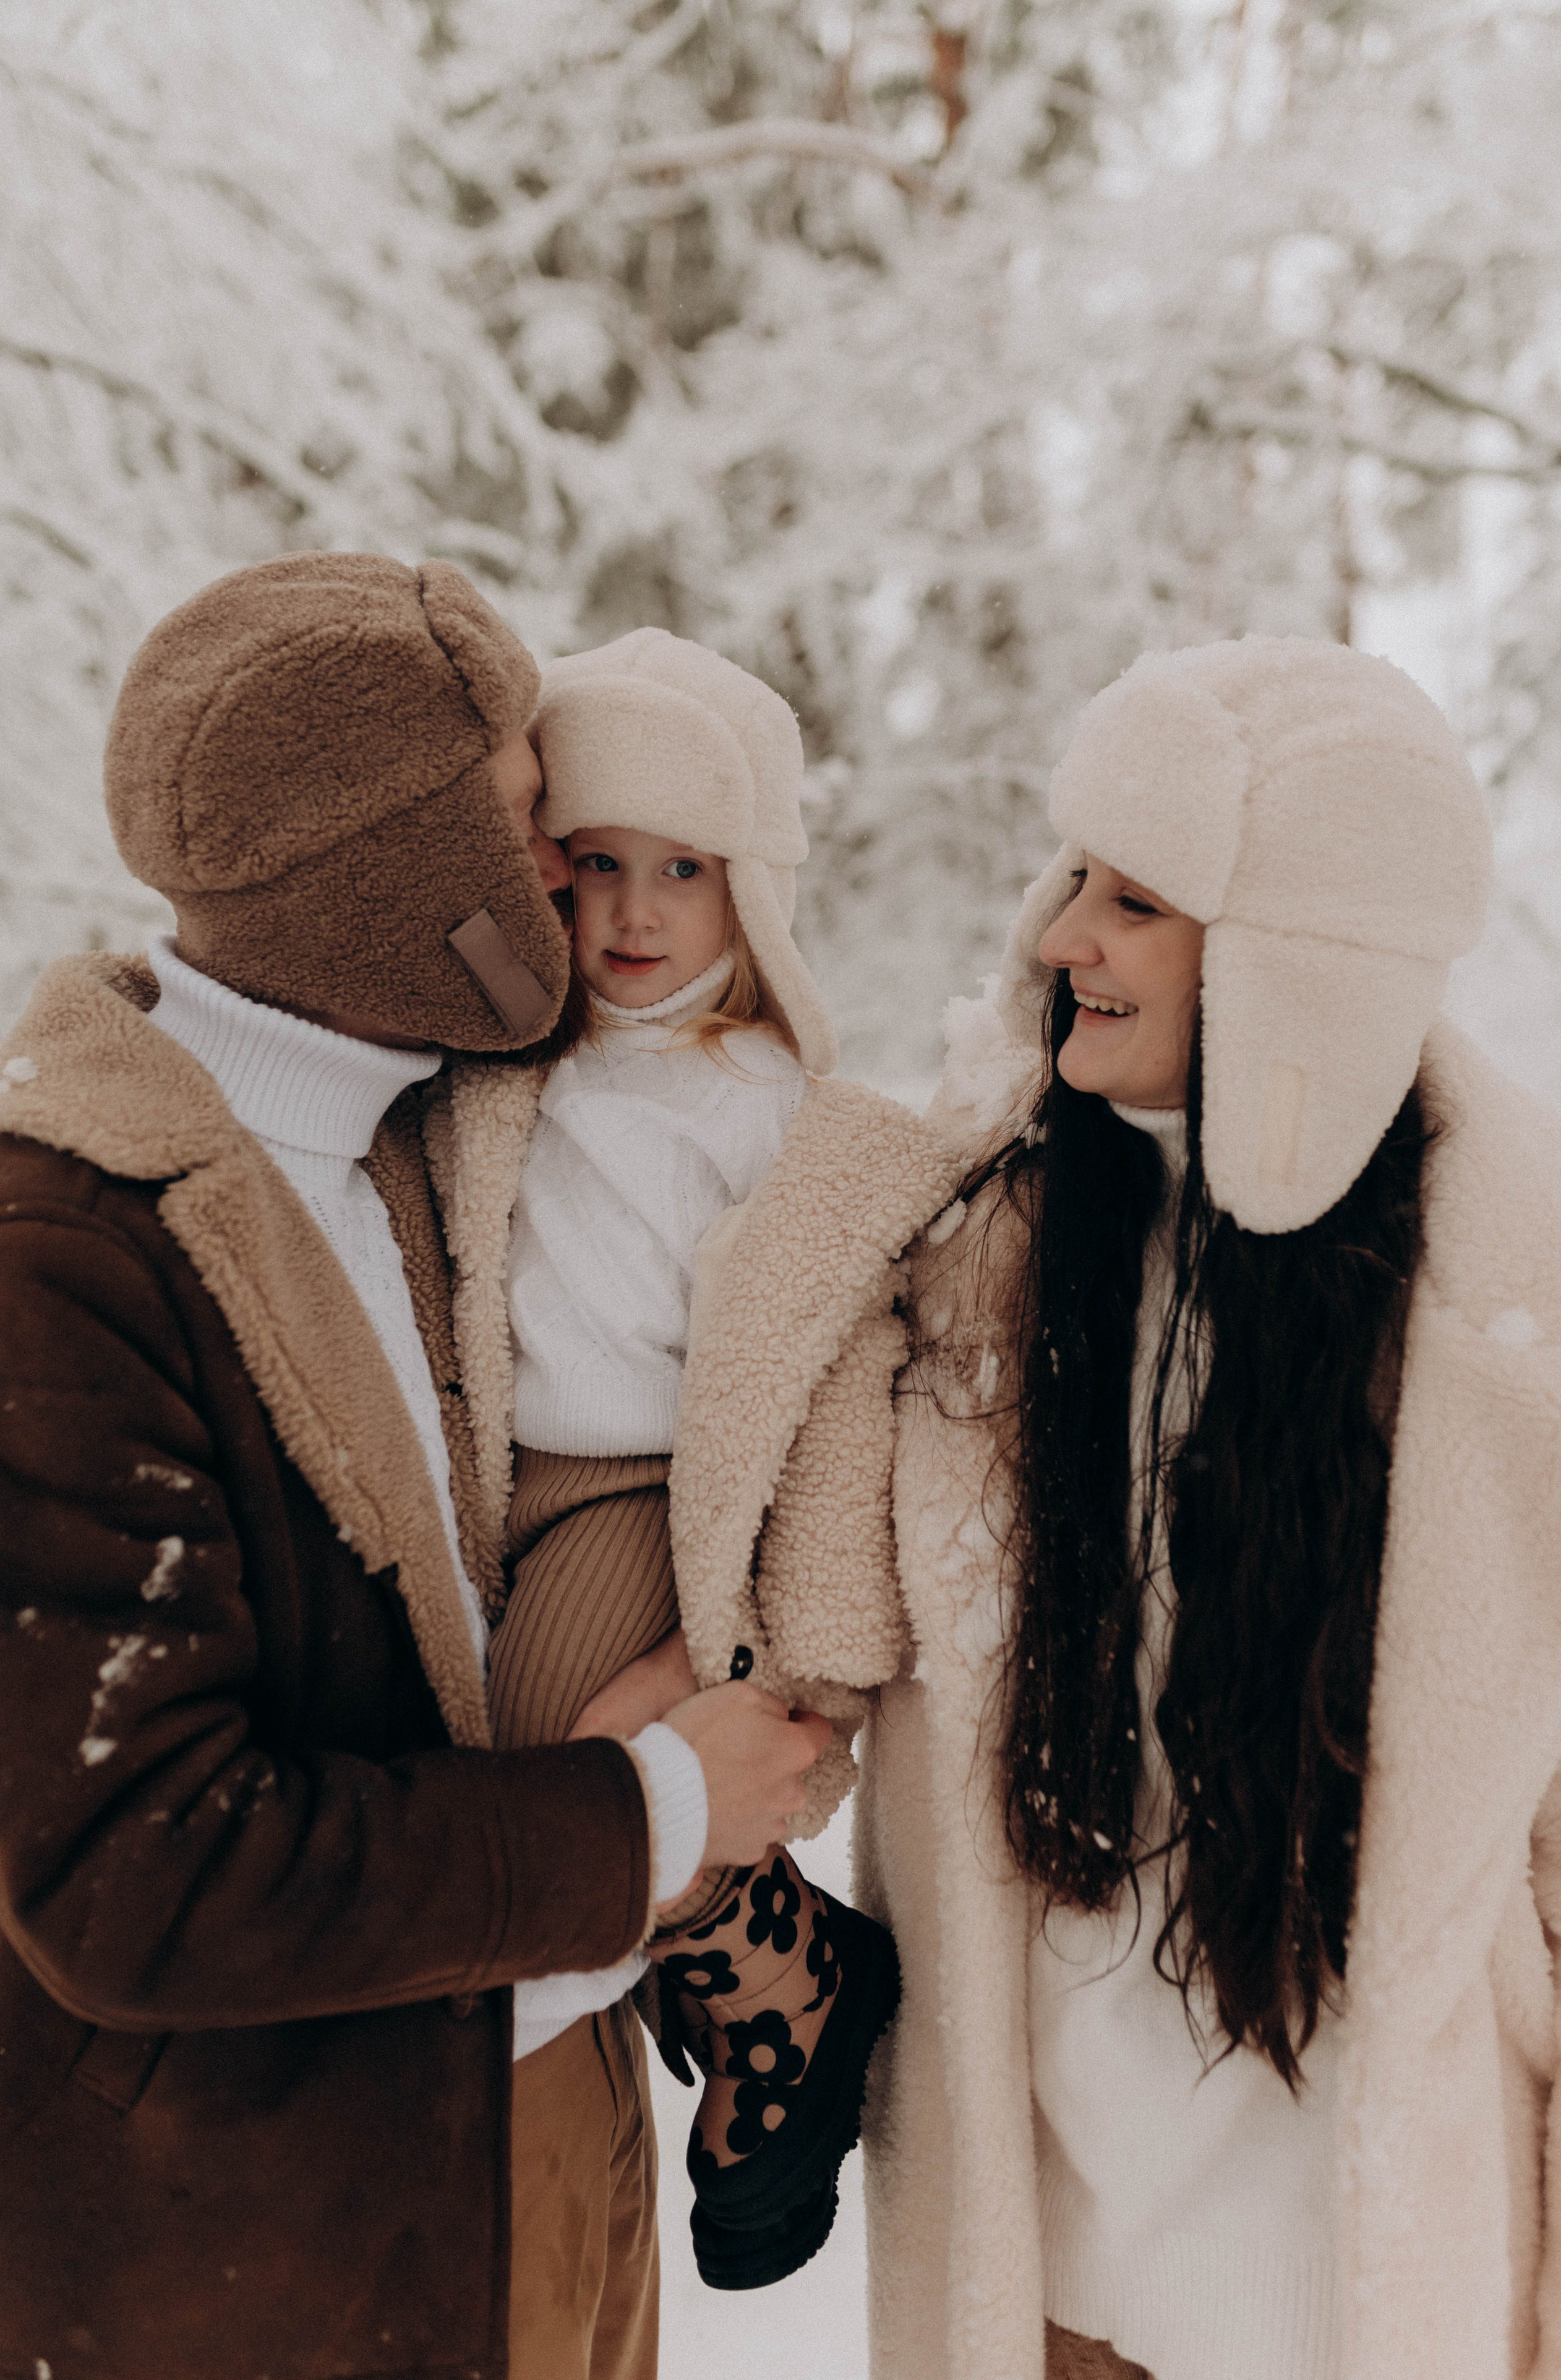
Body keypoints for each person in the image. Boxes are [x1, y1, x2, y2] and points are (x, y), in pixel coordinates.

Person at [0, 552, 824, 2380]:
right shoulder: (68, 1258)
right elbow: (141, 1874)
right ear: (392, 860)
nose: (567, 880)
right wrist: (654, 1808)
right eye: (528, 826)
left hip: (552, 2126)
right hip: (270, 2252)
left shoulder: (426, 1146)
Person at [855, 636, 1561, 2380]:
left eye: (1135, 902)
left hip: (1354, 2284)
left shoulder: (1501, 1323)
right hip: (1053, 2272)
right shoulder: (981, 1245)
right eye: (1075, 878)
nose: (1059, 938)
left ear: (1287, 957)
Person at [440, 626, 959, 2308]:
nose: (634, 915)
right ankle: (739, 1972)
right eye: (596, 865)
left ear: (754, 886)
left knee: (562, 1762)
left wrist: (773, 1617)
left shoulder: (751, 1092)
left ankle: (782, 1968)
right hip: (509, 1482)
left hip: (641, 1490)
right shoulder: (517, 1060)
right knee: (487, 1755)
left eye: (684, 871)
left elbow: (819, 1335)